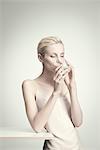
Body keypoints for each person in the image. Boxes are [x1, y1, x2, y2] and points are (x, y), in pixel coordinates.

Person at [22, 36, 83, 150]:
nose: (59, 61)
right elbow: (37, 126)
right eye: (53, 56)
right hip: (53, 147)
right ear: (40, 58)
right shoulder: (30, 85)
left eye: (62, 55)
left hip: (76, 146)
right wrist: (55, 93)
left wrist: (72, 88)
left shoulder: (67, 81)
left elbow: (78, 122)